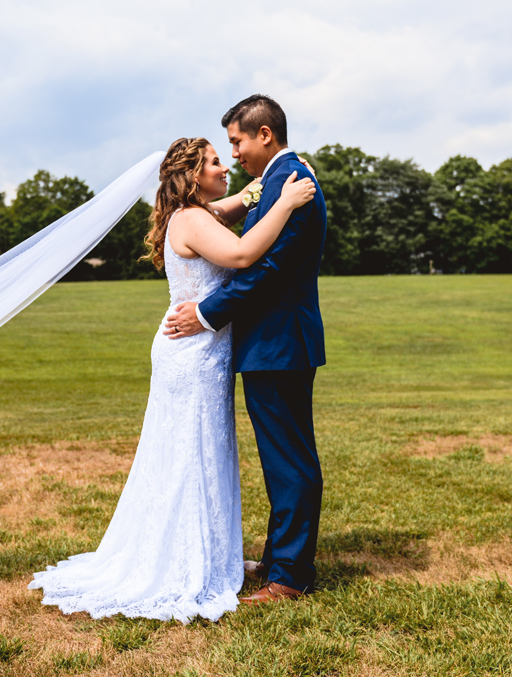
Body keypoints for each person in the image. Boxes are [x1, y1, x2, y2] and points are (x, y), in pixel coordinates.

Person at [28, 135, 317, 623]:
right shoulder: (192, 220)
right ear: (191, 176)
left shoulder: (196, 214)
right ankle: (183, 563)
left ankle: (208, 554)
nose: (224, 167)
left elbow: (228, 206)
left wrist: (257, 191)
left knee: (203, 452)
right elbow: (245, 254)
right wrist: (284, 200)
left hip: (201, 353)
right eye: (213, 162)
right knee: (191, 453)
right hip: (193, 354)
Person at [164, 95, 327, 605]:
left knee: (290, 462)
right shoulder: (279, 181)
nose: (233, 154)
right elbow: (231, 223)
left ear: (264, 135)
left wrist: (208, 312)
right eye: (222, 150)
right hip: (268, 344)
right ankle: (281, 559)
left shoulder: (291, 181)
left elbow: (264, 268)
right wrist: (260, 194)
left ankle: (290, 576)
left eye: (235, 142)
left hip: (278, 344)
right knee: (281, 459)